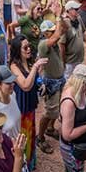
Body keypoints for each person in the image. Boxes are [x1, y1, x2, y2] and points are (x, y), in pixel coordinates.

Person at [7, 34, 47, 172]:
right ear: (18, 50)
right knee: (22, 138)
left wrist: (40, 82)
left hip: (30, 105)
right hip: (20, 107)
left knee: (30, 135)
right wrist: (35, 67)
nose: (29, 49)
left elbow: (33, 80)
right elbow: (24, 85)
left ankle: (29, 163)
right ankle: (20, 170)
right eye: (25, 47)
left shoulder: (29, 63)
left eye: (29, 46)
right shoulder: (13, 66)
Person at [34, 19, 64, 147]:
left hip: (59, 80)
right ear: (45, 33)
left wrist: (62, 19)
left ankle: (50, 128)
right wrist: (58, 19)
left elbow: (61, 32)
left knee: (56, 109)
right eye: (51, 31)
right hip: (51, 83)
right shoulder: (43, 44)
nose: (54, 32)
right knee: (48, 112)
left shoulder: (52, 43)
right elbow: (57, 36)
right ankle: (40, 137)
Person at [0, 66, 21, 141]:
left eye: (12, 81)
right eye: (8, 83)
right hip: (8, 146)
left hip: (18, 143)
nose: (12, 84)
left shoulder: (12, 94)